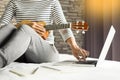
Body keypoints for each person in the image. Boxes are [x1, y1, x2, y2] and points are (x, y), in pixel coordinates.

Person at [0, 0, 89, 68]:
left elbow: (63, 27)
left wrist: (74, 47)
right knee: (9, 27)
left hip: (44, 52)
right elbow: (2, 26)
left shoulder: (52, 2)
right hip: (19, 52)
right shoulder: (14, 2)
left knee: (25, 29)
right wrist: (21, 24)